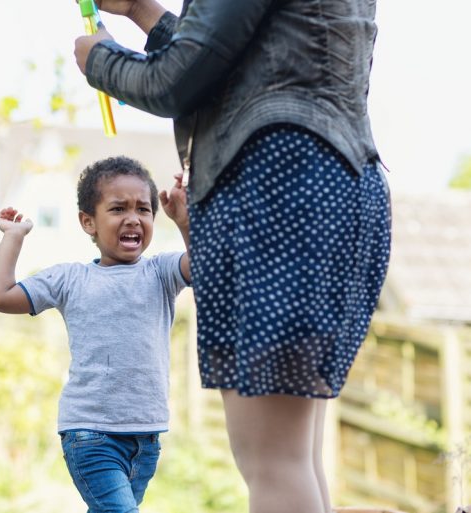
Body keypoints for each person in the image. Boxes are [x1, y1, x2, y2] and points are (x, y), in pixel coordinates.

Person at [73, 1, 391, 513]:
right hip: (337, 184)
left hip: (276, 188)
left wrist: (98, 60)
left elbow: (177, 81)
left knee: (273, 461)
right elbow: (240, 60)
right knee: (296, 455)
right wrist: (141, 11)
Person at [0, 155, 192, 512]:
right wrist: (14, 237)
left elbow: (209, 263)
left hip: (146, 436)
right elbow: (0, 296)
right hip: (90, 434)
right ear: (88, 222)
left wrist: (187, 221)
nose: (133, 218)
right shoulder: (70, 278)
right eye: (117, 209)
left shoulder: (161, 272)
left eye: (143, 209)